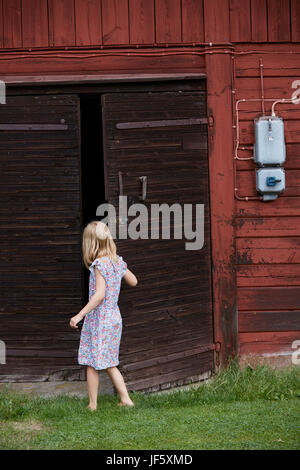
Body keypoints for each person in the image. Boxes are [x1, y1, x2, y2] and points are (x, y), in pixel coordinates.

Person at [69, 220, 138, 411]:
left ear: (90, 243)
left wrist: (80, 315)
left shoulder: (99, 264)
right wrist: (121, 268)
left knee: (92, 362)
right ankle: (126, 399)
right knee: (109, 362)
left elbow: (99, 295)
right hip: (114, 317)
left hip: (100, 319)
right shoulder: (117, 261)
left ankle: (92, 405)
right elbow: (134, 281)